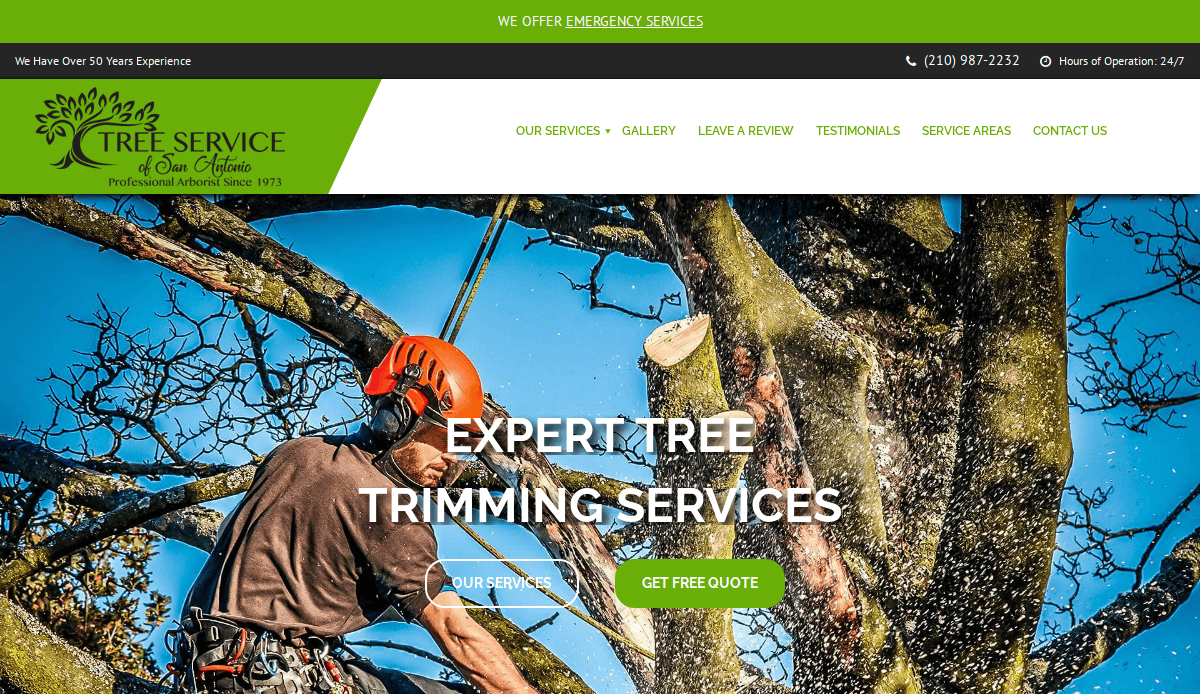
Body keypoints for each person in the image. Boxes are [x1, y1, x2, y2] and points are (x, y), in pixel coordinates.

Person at [169, 336, 539, 694]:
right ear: (399, 419)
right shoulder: (386, 504)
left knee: (381, 681)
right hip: (272, 676)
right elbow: (454, 630)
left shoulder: (295, 454)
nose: (452, 457)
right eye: (445, 438)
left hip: (203, 670)